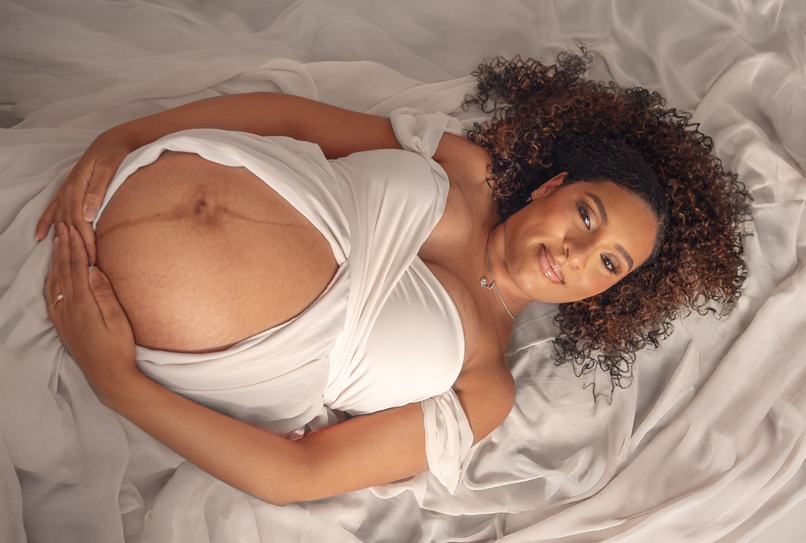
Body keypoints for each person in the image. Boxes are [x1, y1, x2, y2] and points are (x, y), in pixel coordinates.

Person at [36, 54, 752, 504]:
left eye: (609, 263)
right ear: (554, 187)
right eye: (588, 215)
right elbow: (293, 118)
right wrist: (127, 136)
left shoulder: (484, 386)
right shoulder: (464, 164)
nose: (578, 250)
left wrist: (116, 382)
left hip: (123, 330)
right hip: (122, 186)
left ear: (607, 293)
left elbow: (303, 474)